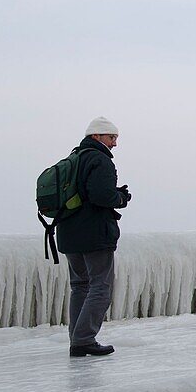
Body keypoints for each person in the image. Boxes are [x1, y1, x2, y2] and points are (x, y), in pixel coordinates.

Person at [56, 117, 131, 357]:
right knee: (101, 287)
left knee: (80, 287)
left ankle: (76, 339)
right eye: (112, 138)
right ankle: (84, 339)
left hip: (69, 234)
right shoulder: (100, 160)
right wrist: (120, 198)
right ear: (96, 137)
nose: (115, 144)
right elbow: (100, 196)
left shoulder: (73, 159)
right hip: (94, 236)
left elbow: (85, 194)